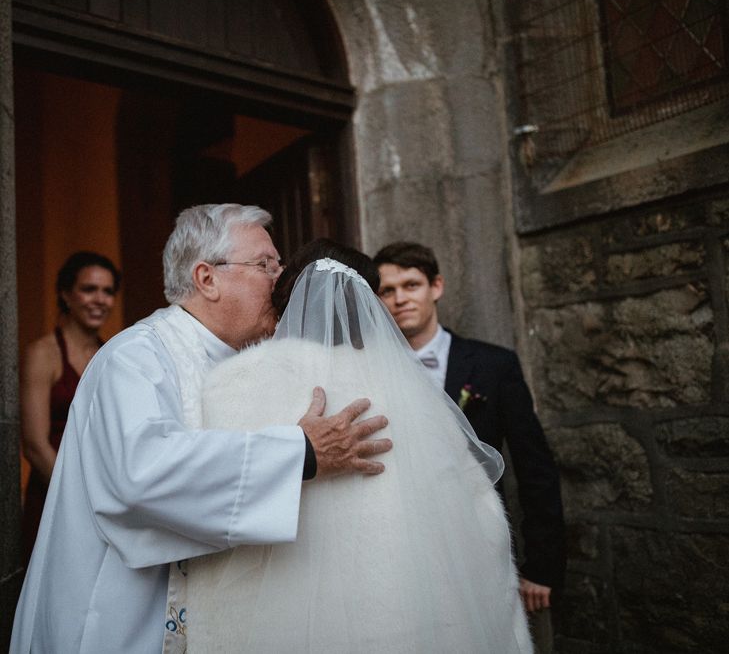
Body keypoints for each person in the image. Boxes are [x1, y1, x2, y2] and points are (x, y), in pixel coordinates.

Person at [10, 205, 391, 654]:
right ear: (207, 278)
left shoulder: (249, 360)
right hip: (121, 615)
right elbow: (144, 474)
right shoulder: (135, 358)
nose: (281, 278)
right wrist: (300, 453)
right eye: (266, 265)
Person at [185, 238, 532, 652]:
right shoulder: (411, 390)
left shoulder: (234, 384)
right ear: (372, 309)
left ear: (282, 305)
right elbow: (481, 518)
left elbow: (208, 503)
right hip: (402, 614)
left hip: (280, 624)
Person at [373, 241, 565, 652]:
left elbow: (535, 468)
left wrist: (542, 566)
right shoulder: (368, 370)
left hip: (482, 547)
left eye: (411, 285)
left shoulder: (495, 365)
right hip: (399, 556)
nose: (400, 298)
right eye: (388, 290)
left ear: (436, 286)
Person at [20, 251, 121, 560]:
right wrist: (80, 499)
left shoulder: (114, 354)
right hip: (57, 494)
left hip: (105, 500)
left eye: (107, 291)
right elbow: (35, 445)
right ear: (65, 294)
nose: (100, 300)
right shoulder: (43, 353)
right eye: (89, 289)